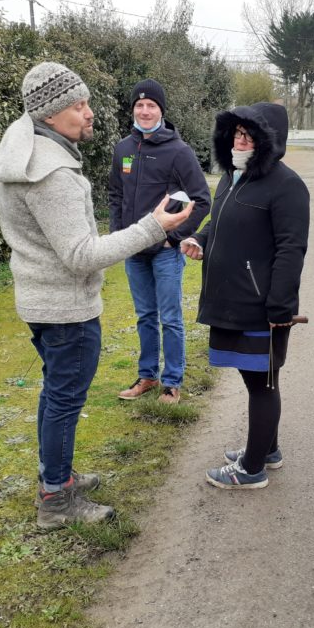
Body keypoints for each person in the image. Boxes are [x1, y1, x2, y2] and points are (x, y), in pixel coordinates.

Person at [0, 62, 193, 530]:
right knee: (64, 402)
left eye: (86, 103)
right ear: (51, 113)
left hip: (41, 300)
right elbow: (81, 255)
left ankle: (57, 477)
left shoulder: (25, 154)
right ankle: (56, 500)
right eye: (79, 105)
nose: (89, 112)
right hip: (66, 310)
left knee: (55, 395)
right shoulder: (51, 173)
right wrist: (153, 227)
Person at [180, 102, 309, 490]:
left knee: (262, 383)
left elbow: (291, 250)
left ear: (271, 141)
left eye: (250, 135)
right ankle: (267, 450)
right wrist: (200, 239)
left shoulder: (287, 186)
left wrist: (279, 307)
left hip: (261, 306)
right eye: (237, 132)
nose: (240, 140)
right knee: (258, 380)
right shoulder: (232, 177)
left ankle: (252, 469)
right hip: (231, 301)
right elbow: (218, 221)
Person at [109, 79, 211, 404]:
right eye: (139, 105)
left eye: (151, 105)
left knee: (170, 318)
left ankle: (172, 382)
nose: (145, 111)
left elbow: (202, 200)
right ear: (133, 110)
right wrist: (119, 236)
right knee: (145, 317)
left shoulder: (178, 152)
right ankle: (148, 376)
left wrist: (175, 237)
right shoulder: (123, 149)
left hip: (165, 253)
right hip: (134, 250)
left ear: (161, 111)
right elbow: (115, 196)